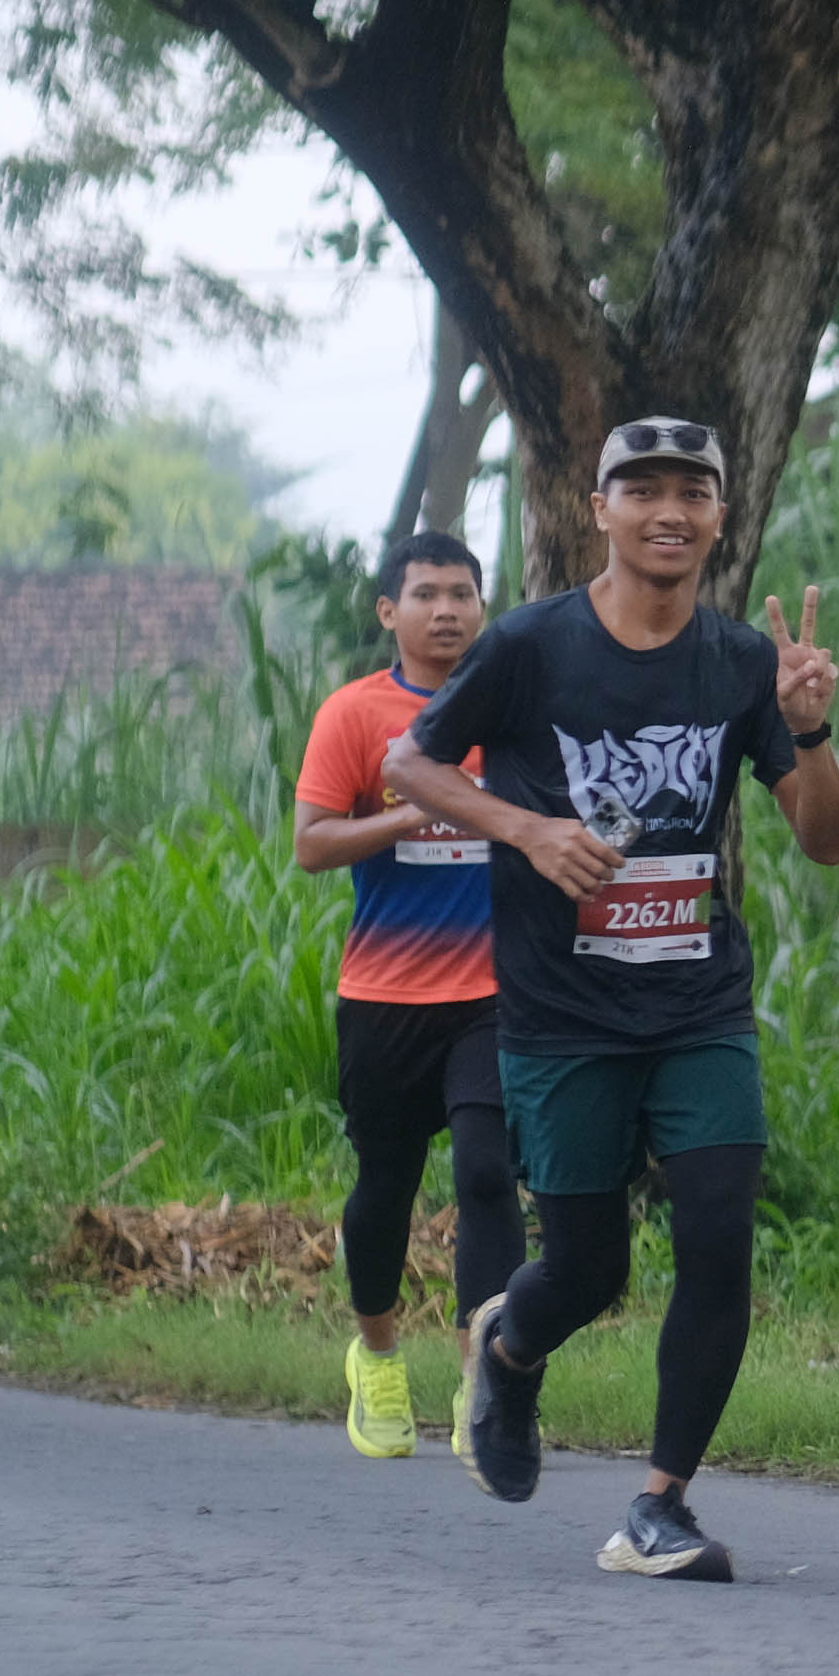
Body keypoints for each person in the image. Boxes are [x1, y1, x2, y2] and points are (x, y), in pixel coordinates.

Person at [385, 418, 839, 1579]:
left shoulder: (741, 662)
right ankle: (510, 1347)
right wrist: (527, 828)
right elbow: (409, 763)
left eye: (692, 490)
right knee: (588, 1269)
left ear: (720, 517)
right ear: (600, 510)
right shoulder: (531, 646)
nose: (668, 510)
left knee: (719, 1239)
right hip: (564, 1012)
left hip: (699, 1004)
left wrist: (811, 732)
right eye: (641, 490)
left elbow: (826, 839)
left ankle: (659, 1505)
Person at [294, 529, 524, 1459]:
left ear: (482, 607)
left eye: (461, 594)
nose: (445, 611)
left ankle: (485, 1385)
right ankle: (379, 1357)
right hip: (385, 994)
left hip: (493, 993)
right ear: (389, 612)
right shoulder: (356, 715)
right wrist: (415, 811)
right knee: (385, 1186)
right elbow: (312, 843)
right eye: (425, 594)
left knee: (487, 1175)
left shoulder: (512, 711)